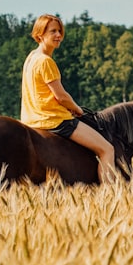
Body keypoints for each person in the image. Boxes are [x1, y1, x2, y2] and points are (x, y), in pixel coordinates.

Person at [21, 14, 118, 184]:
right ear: (39, 35)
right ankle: (109, 194)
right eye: (53, 31)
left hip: (31, 120)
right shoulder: (45, 61)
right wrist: (77, 108)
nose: (58, 35)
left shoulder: (31, 58)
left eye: (60, 31)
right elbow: (61, 96)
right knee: (107, 149)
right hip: (53, 120)